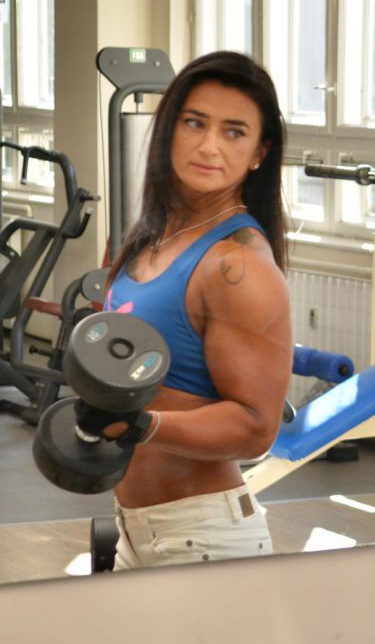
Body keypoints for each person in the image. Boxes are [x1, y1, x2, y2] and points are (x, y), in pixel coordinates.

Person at [80, 51, 292, 569]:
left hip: (203, 538)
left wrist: (140, 424)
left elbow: (257, 428)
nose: (209, 146)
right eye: (195, 122)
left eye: (234, 132)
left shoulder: (238, 265)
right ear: (169, 129)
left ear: (259, 153)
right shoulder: (151, 236)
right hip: (138, 530)